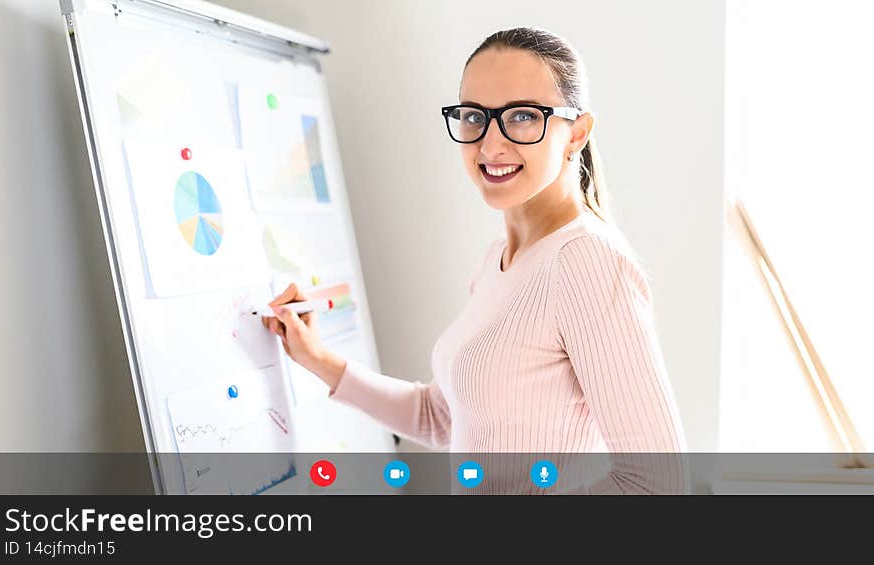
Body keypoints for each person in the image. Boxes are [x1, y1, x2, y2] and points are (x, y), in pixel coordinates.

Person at [263, 27, 688, 494]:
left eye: (523, 115)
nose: (490, 144)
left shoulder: (586, 261)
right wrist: (319, 360)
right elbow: (441, 417)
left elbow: (656, 483)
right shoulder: (497, 262)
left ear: (577, 133)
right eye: (474, 116)